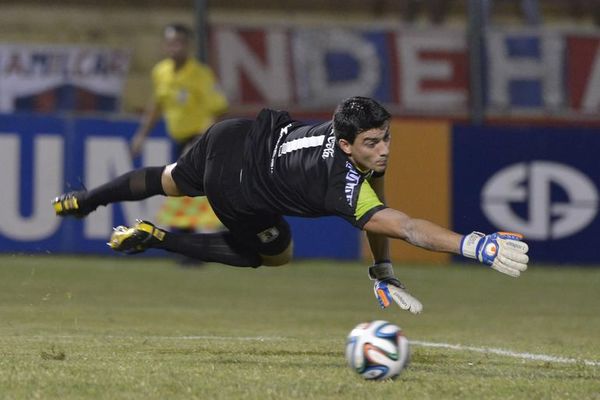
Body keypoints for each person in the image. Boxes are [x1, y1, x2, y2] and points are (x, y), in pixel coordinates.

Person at [52, 96, 529, 314]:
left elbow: (379, 207)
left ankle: (85, 200)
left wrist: (382, 270)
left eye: (386, 138)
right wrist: (473, 245)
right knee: (273, 253)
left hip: (233, 135)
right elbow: (405, 226)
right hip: (238, 186)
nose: (383, 149)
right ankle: (161, 238)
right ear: (346, 147)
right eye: (371, 143)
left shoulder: (352, 136)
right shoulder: (340, 182)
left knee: (165, 180)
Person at [131, 23, 229, 257]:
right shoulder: (161, 72)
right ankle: (189, 250)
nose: (176, 47)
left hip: (199, 140)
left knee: (192, 190)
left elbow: (218, 109)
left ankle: (212, 239)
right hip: (179, 140)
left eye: (180, 43)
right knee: (181, 191)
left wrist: (200, 141)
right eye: (171, 42)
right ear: (165, 46)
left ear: (188, 46)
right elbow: (157, 105)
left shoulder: (200, 74)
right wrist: (141, 135)